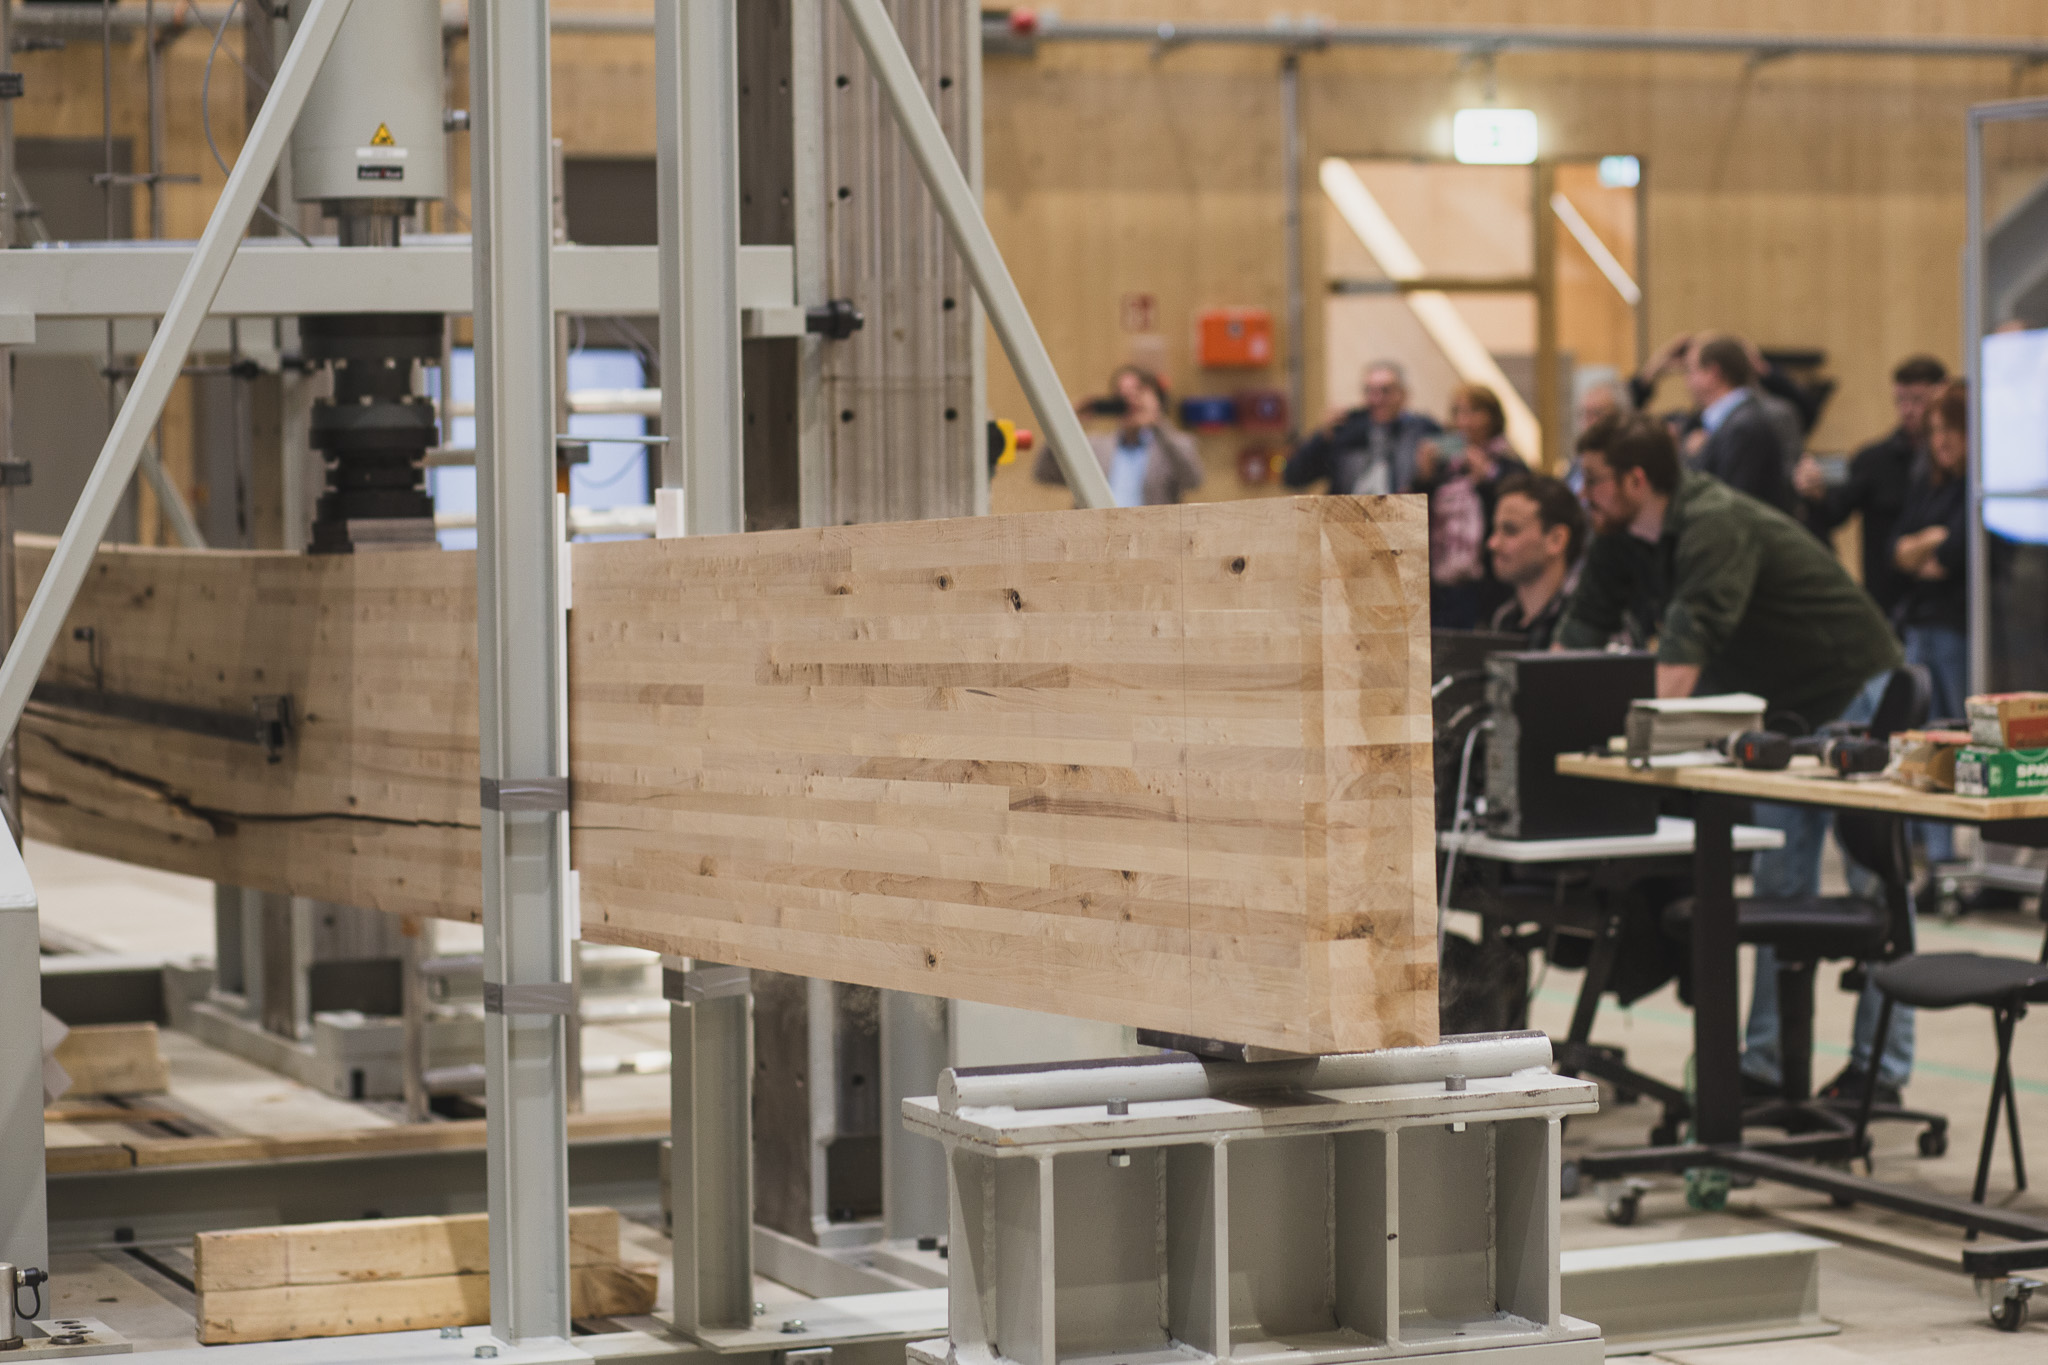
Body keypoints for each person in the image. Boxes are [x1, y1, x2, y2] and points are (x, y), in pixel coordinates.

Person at [1556, 413, 1910, 1102]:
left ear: (1636, 480)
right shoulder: (1616, 536)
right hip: (1781, 710)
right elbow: (1573, 649)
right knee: (1780, 886)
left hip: (1852, 683)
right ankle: (1770, 1064)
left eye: (1592, 480)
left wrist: (1609, 739)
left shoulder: (1714, 523)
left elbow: (1679, 672)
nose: (1582, 494)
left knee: (1877, 881)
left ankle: (1880, 1072)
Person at [1794, 354, 1948, 619]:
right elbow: (1834, 512)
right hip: (1887, 598)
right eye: (1901, 400)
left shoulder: (1954, 462)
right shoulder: (1874, 459)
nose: (1908, 410)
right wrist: (1815, 492)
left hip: (1944, 598)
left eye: (1918, 400)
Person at [1891, 379, 1970, 869]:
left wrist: (1925, 547)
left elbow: (1954, 554)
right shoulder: (1930, 484)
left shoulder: (1979, 486)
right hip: (1921, 624)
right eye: (1936, 431)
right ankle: (1934, 853)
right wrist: (1927, 543)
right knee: (1925, 740)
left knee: (1962, 738)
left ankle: (1962, 853)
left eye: (1953, 430)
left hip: (1961, 630)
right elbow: (1895, 552)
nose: (1942, 441)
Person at [1413, 384, 1526, 628]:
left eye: (1473, 412)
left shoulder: (1508, 467)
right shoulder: (1445, 470)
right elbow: (1416, 519)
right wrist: (1424, 479)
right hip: (1442, 585)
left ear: (1492, 418)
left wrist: (1488, 480)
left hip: (1487, 585)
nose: (1464, 421)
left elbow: (1517, 514)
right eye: (1458, 412)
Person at [1036, 365, 1203, 507]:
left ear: (1155, 398)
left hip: (1151, 538)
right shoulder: (1094, 446)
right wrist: (1067, 423)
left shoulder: (1172, 446)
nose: (1130, 401)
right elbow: (1044, 473)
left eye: (1138, 393)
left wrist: (1158, 423)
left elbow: (1193, 480)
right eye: (1122, 396)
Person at [1281, 360, 1441, 498]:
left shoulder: (1421, 430)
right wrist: (1322, 437)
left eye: (1385, 391)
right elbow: (1294, 476)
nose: (1377, 399)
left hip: (1404, 523)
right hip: (1349, 524)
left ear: (1403, 394)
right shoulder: (1348, 428)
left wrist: (1427, 477)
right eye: (1370, 391)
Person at [1684, 334, 1797, 512]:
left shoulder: (1743, 427)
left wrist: (1695, 457)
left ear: (1713, 373)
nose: (1687, 382)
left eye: (1692, 371)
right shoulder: (1731, 421)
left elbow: (1731, 505)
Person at [1486, 472, 1585, 648]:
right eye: (1495, 530)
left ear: (1556, 539)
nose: (1493, 543)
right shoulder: (1505, 619)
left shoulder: (1589, 621)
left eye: (1510, 530)